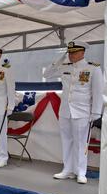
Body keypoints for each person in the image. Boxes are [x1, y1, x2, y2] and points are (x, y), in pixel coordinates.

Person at [44, 41, 103, 184]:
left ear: (82, 53)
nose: (71, 55)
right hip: (65, 111)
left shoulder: (93, 69)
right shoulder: (64, 66)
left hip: (82, 112)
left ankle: (80, 172)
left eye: (74, 52)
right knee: (66, 141)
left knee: (81, 143)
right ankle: (68, 170)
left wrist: (96, 113)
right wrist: (60, 58)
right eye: (69, 52)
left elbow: (97, 92)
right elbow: (47, 74)